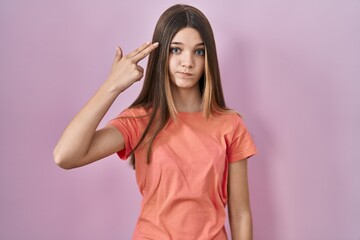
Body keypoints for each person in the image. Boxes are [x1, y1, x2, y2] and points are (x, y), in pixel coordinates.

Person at [53, 4, 256, 240]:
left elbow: (241, 213)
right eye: (176, 50)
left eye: (198, 52)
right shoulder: (140, 120)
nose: (187, 62)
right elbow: (65, 156)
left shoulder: (230, 125)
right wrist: (112, 86)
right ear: (161, 54)